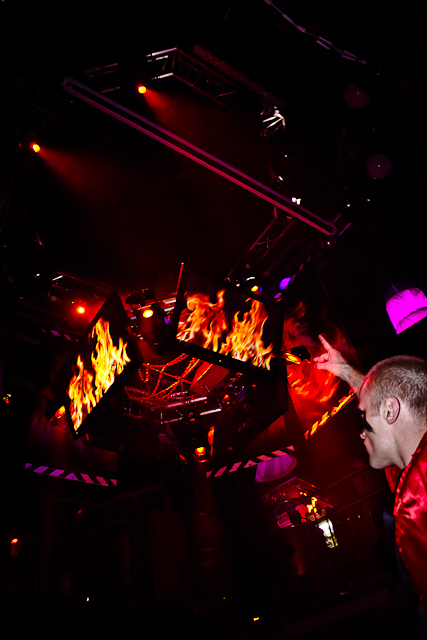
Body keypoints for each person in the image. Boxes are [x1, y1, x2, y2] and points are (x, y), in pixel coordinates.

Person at [314, 335, 427, 623]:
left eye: (363, 416)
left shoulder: (420, 490)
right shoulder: (410, 468)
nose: (361, 432)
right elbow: (387, 402)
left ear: (390, 411)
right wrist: (347, 373)